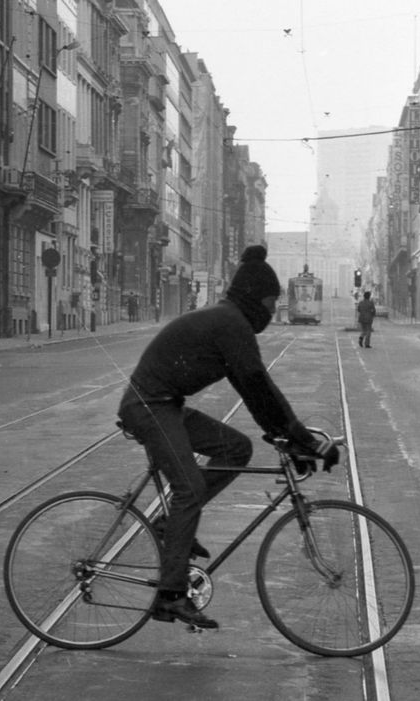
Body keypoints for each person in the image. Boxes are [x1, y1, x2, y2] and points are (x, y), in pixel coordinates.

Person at [116, 245, 340, 629]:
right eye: (270, 301)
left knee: (237, 448)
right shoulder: (230, 324)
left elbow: (254, 391)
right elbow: (258, 387)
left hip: (165, 403)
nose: (272, 310)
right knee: (188, 489)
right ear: (255, 297)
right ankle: (170, 596)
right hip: (148, 406)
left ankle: (171, 528)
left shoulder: (230, 321)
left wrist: (289, 437)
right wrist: (303, 439)